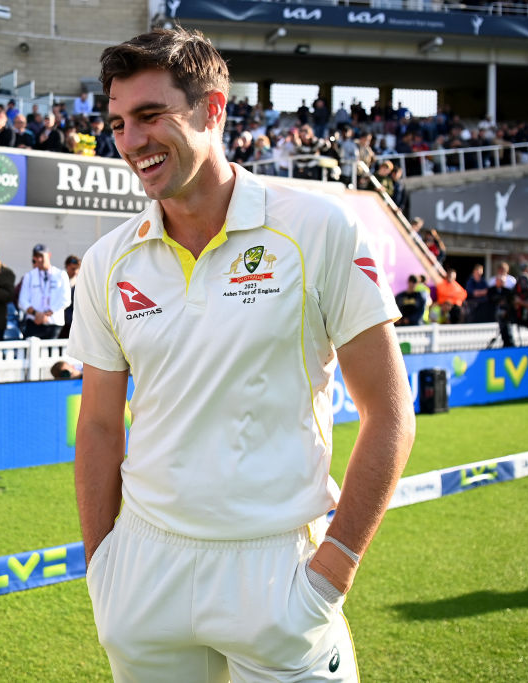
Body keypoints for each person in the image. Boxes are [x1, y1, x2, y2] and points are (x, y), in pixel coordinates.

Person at [69, 27, 414, 682]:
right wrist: (103, 564)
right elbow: (100, 425)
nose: (132, 140)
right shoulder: (106, 262)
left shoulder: (317, 228)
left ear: (214, 108)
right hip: (144, 572)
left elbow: (390, 412)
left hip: (278, 568)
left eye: (150, 115)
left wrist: (334, 567)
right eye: (117, 123)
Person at [18, 243, 70, 339]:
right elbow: (22, 301)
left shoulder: (61, 274)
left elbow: (65, 299)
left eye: (41, 256)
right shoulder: (29, 276)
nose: (39, 259)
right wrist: (36, 314)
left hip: (54, 323)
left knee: (52, 353)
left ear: (49, 255)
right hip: (34, 322)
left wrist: (47, 314)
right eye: (36, 256)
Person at [61, 255, 80, 338]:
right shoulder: (59, 281)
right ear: (67, 267)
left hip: (74, 323)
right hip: (62, 322)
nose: (75, 272)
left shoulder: (81, 283)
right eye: (73, 269)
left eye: (77, 269)